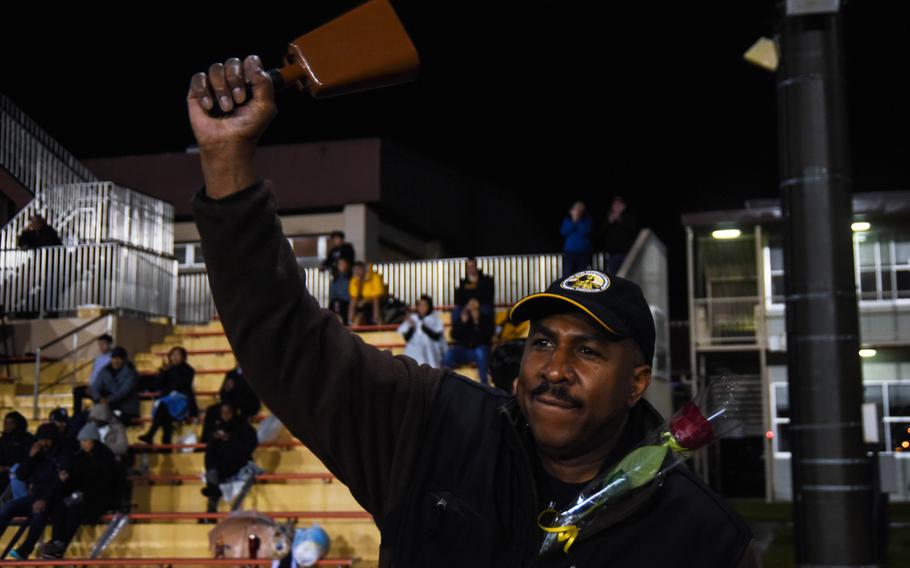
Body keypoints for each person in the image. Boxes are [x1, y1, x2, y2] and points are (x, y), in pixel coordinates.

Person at [187, 56, 758, 567]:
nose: (553, 369)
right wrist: (225, 159)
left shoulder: (703, 538)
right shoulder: (438, 426)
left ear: (637, 382)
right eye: (541, 342)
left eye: (587, 349)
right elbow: (290, 346)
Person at [40, 422, 119, 559]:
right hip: (85, 495)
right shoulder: (82, 457)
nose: (82, 444)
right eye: (81, 441)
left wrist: (82, 495)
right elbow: (77, 480)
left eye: (85, 441)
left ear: (93, 440)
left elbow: (105, 484)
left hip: (100, 498)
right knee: (61, 505)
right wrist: (67, 481)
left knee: (76, 509)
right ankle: (56, 541)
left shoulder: (105, 457)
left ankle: (62, 543)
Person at [0, 424, 65, 559]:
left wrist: (44, 499)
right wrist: (30, 457)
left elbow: (58, 484)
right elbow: (20, 475)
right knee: (8, 507)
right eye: (41, 440)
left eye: (47, 440)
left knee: (39, 513)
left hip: (52, 500)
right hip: (34, 497)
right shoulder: (37, 456)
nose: (44, 443)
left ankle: (25, 550)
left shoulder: (61, 455)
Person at [201, 402, 259, 513]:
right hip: (220, 465)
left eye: (228, 413)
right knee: (212, 471)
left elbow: (249, 445)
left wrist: (230, 440)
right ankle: (211, 510)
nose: (226, 416)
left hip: (239, 462)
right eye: (223, 413)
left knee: (214, 475)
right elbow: (210, 450)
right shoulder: (219, 427)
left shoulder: (243, 426)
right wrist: (215, 438)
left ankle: (212, 504)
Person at [138, 346, 198, 445]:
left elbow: (182, 384)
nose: (174, 357)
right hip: (168, 401)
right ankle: (166, 443)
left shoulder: (188, 370)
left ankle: (151, 434)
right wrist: (163, 372)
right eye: (172, 355)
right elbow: (158, 385)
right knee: (165, 415)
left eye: (177, 355)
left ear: (183, 357)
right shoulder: (167, 370)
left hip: (181, 400)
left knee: (163, 405)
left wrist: (171, 371)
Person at [202, 367, 261, 443]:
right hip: (230, 404)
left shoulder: (252, 373)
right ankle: (205, 442)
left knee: (234, 413)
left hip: (246, 405)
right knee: (212, 411)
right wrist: (227, 391)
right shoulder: (231, 374)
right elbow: (222, 393)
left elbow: (253, 396)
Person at [443, 297, 494, 385]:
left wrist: (477, 322)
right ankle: (445, 382)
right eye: (470, 306)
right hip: (463, 350)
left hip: (478, 350)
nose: (472, 308)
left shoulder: (484, 318)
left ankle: (484, 383)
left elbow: (487, 337)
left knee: (480, 351)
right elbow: (453, 335)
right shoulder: (463, 316)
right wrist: (462, 323)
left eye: (474, 306)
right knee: (450, 353)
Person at [90, 346, 140, 425]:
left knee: (104, 417)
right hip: (109, 405)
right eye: (114, 358)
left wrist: (108, 400)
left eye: (119, 358)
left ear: (124, 360)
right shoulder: (105, 370)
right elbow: (95, 386)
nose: (116, 361)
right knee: (93, 416)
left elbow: (123, 392)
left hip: (125, 408)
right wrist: (98, 398)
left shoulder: (131, 372)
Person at [397, 295, 447, 368]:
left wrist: (425, 328)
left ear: (429, 306)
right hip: (414, 353)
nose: (422, 307)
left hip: (431, 355)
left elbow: (437, 337)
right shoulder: (412, 319)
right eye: (420, 305)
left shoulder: (435, 319)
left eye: (425, 305)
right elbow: (406, 338)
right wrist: (411, 328)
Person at [597, 196, 638, 275]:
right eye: (615, 205)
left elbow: (632, 229)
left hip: (626, 253)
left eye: (619, 205)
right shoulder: (608, 217)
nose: (617, 207)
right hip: (612, 254)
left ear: (624, 206)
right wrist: (609, 222)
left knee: (627, 274)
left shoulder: (628, 216)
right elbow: (600, 232)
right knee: (613, 276)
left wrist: (620, 219)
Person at [73, 333, 113, 413]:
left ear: (108, 344)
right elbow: (94, 373)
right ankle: (77, 415)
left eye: (103, 344)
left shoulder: (113, 358)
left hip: (104, 388)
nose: (101, 346)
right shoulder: (98, 358)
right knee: (77, 391)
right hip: (94, 387)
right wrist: (90, 385)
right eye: (99, 344)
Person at [0, 412, 33, 496]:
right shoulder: (3, 439)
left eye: (11, 423)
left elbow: (28, 458)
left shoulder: (27, 438)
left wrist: (9, 468)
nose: (7, 426)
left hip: (20, 471)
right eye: (6, 423)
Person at [453, 257, 494, 322]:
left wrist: (478, 303)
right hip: (467, 306)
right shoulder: (463, 282)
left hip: (482, 305)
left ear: (476, 266)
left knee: (486, 311)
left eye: (472, 266)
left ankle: (485, 330)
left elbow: (489, 295)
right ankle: (456, 331)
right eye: (468, 267)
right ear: (466, 268)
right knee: (456, 312)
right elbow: (459, 298)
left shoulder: (486, 280)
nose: (470, 269)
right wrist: (467, 305)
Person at [347, 261, 387, 326]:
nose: (356, 272)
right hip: (363, 301)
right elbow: (354, 295)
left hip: (379, 299)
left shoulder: (375, 277)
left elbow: (377, 294)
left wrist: (364, 301)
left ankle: (376, 321)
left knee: (375, 300)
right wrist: (358, 283)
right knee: (353, 300)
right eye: (355, 270)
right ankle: (350, 322)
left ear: (364, 269)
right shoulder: (354, 280)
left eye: (358, 269)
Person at [561, 201, 593, 277]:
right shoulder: (567, 220)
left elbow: (585, 231)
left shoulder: (587, 220)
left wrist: (577, 220)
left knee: (582, 275)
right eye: (576, 208)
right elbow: (563, 232)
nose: (578, 210)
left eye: (580, 208)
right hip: (569, 253)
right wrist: (573, 221)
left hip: (583, 253)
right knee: (567, 275)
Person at [328, 257, 352, 324]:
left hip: (347, 302)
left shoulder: (351, 278)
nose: (342, 265)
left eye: (344, 263)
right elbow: (332, 295)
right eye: (340, 264)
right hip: (336, 302)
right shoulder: (335, 279)